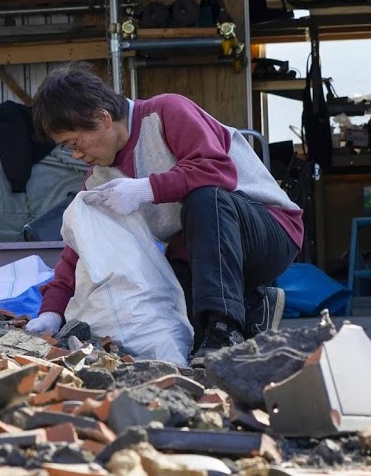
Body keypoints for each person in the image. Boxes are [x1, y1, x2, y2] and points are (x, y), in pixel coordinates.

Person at [25, 62, 303, 366]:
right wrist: (51, 311)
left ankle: (225, 329)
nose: (77, 155)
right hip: (204, 257)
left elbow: (217, 171)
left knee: (206, 198)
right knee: (172, 315)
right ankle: (253, 307)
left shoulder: (166, 112)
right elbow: (80, 250)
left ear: (102, 118)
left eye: (74, 143)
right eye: (67, 149)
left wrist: (145, 189)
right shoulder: (99, 180)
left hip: (267, 232)